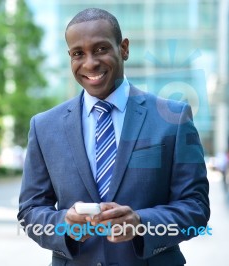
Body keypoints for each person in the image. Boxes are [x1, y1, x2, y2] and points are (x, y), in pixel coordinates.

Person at [17, 7, 210, 266]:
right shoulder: (44, 126)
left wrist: (142, 224)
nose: (90, 63)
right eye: (78, 54)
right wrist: (65, 225)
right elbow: (30, 211)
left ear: (124, 49)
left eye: (100, 49)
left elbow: (196, 207)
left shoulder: (173, 118)